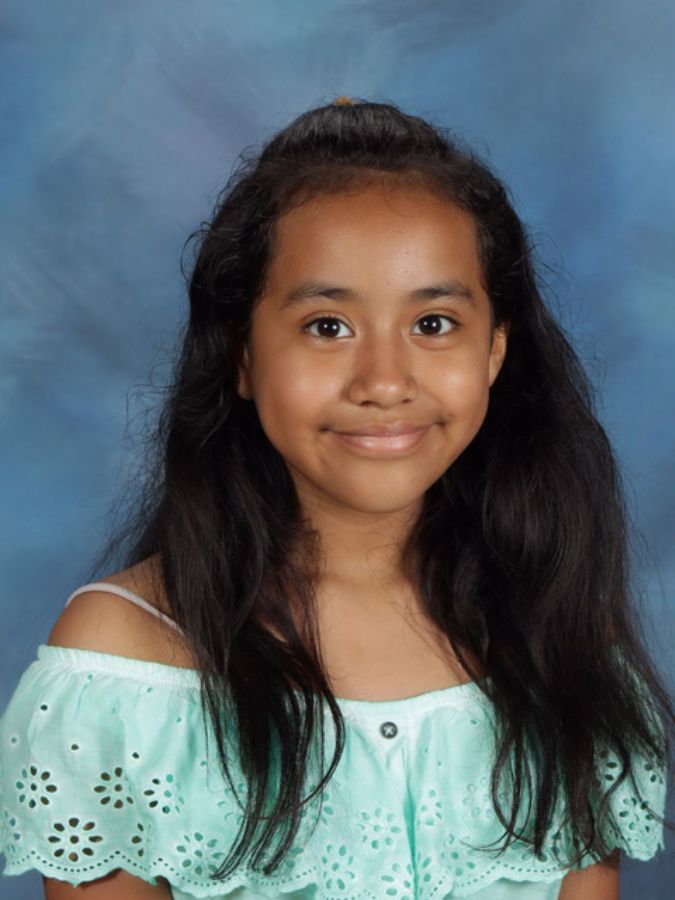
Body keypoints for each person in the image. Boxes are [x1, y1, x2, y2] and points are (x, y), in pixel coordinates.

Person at [0, 98, 671, 900]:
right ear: (241, 355)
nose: (384, 382)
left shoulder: (555, 631)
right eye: (327, 326)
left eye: (433, 323)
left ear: (494, 350)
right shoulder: (125, 667)